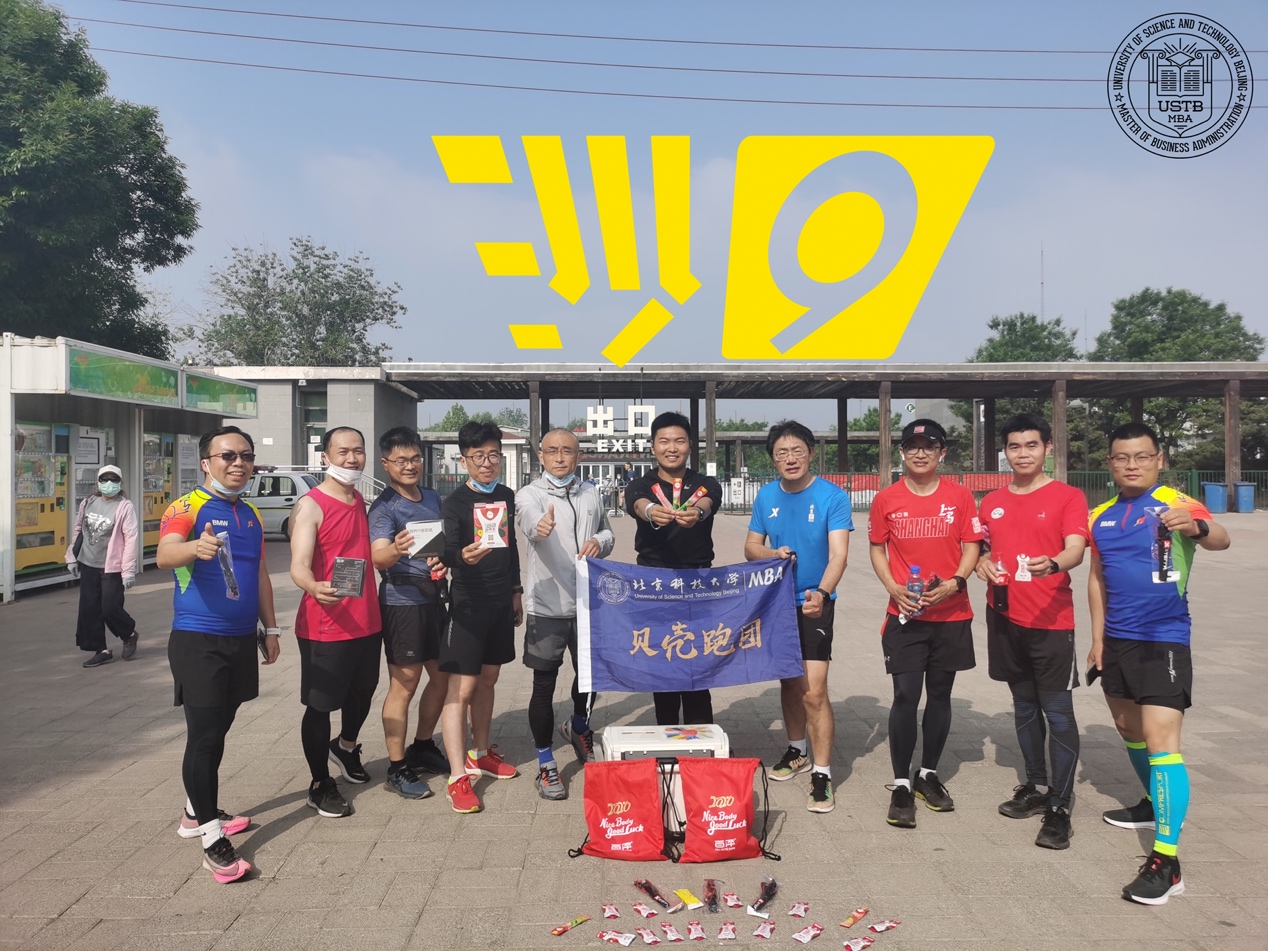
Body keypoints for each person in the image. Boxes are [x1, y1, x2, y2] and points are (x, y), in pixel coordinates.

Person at [1088, 422, 1229, 905]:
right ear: (1111, 463)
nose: (1132, 465)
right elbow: (1097, 579)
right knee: (1128, 728)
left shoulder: (1177, 502)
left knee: (1162, 741)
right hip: (1117, 641)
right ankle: (1152, 802)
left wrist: (1197, 527)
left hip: (1164, 638)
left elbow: (1221, 539)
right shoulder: (1100, 515)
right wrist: (1097, 640)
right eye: (1122, 457)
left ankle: (1166, 861)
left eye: (1142, 456)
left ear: (1159, 459)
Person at [157, 425, 280, 884]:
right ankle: (211, 839)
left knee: (220, 727)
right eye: (228, 455)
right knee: (205, 737)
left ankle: (196, 811)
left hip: (241, 639)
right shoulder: (186, 506)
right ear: (206, 462)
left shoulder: (250, 512)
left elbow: (261, 573)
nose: (239, 463)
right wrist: (196, 547)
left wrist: (271, 628)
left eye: (246, 456)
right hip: (198, 640)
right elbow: (164, 555)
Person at [975, 413, 1089, 850]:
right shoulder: (992, 501)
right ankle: (1036, 786)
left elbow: (1076, 548)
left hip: (1050, 621)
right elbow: (983, 548)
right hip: (1004, 616)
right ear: (1005, 451)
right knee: (1023, 705)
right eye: (1014, 446)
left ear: (1047, 449)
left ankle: (1060, 805)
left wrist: (1054, 563)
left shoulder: (1068, 496)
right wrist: (982, 562)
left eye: (1031, 445)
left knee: (1057, 711)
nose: (1022, 454)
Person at [868, 418, 982, 829]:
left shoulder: (960, 496)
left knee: (940, 694)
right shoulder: (886, 499)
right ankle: (901, 782)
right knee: (905, 694)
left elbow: (972, 545)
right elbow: (877, 548)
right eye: (912, 446)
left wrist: (956, 582)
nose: (920, 453)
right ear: (902, 452)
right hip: (906, 614)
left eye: (929, 446)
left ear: (941, 453)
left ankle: (928, 774)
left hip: (951, 613)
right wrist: (892, 587)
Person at [744, 421, 852, 814]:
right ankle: (796, 750)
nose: (790, 459)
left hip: (814, 601)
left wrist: (821, 593)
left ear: (810, 453)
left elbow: (839, 555)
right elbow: (751, 546)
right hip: (776, 602)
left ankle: (822, 773)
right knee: (790, 682)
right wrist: (771, 554)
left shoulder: (832, 496)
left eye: (797, 451)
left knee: (814, 690)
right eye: (781, 453)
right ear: (773, 459)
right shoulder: (766, 495)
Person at [516, 428, 615, 800]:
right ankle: (545, 762)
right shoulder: (530, 495)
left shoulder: (590, 492)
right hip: (547, 606)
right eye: (552, 451)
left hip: (589, 604)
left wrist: (599, 542)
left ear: (579, 456)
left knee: (590, 679)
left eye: (567, 451)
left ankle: (578, 726)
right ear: (541, 455)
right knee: (543, 685)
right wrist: (539, 527)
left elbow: (607, 532)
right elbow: (529, 520)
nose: (560, 458)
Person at [289, 426, 382, 819]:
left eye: (358, 451)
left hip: (367, 620)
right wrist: (313, 586)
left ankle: (344, 747)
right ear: (325, 457)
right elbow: (298, 564)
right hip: (324, 625)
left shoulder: (360, 500)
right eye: (343, 452)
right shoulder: (311, 504)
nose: (352, 458)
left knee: (363, 693)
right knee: (321, 706)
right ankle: (318, 783)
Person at [438, 421, 523, 813]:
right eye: (478, 456)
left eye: (493, 455)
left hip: (500, 603)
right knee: (462, 689)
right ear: (464, 460)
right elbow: (447, 551)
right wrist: (461, 557)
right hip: (468, 605)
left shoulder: (505, 496)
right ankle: (458, 775)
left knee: (489, 679)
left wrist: (516, 591)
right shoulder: (454, 502)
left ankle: (480, 753)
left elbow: (512, 548)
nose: (487, 463)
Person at [624, 412, 722, 726]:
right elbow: (637, 503)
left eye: (679, 441)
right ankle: (667, 737)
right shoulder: (641, 484)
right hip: (654, 587)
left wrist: (698, 513)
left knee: (698, 667)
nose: (672, 448)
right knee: (662, 667)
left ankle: (701, 739)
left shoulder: (705, 484)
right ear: (653, 446)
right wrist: (652, 511)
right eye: (664, 441)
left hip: (698, 584)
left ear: (690, 445)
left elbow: (709, 502)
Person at [368, 426, 450, 801]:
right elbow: (378, 557)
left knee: (443, 678)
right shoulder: (384, 507)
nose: (410, 465)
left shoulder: (431, 497)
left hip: (433, 599)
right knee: (405, 684)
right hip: (402, 603)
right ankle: (397, 767)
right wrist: (397, 549)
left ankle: (422, 746)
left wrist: (443, 562)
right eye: (401, 460)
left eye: (415, 458)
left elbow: (439, 546)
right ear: (386, 464)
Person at [67, 465, 140, 667]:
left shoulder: (124, 507)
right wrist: (71, 556)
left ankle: (129, 633)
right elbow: (78, 529)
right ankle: (101, 650)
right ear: (98, 482)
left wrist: (128, 571)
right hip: (88, 563)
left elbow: (131, 538)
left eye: (114, 480)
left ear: (120, 483)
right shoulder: (88, 502)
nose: (109, 483)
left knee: (109, 607)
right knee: (89, 609)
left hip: (111, 567)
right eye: (105, 479)